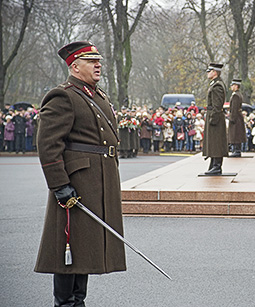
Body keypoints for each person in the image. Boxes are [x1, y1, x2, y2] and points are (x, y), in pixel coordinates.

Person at [35, 41, 126, 306]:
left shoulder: (97, 95)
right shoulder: (63, 95)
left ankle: (78, 301)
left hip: (98, 181)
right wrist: (60, 185)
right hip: (77, 183)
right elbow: (49, 144)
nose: (98, 65)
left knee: (83, 248)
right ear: (75, 66)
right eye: (91, 61)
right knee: (70, 248)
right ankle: (65, 303)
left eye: (99, 61)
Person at [202, 63, 227, 174]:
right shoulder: (215, 84)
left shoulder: (217, 86)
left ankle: (217, 166)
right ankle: (213, 164)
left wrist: (213, 118)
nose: (208, 73)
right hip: (212, 115)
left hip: (215, 116)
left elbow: (217, 105)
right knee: (213, 142)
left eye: (210, 71)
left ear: (215, 72)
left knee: (216, 142)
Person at [227, 78, 247, 157]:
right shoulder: (238, 94)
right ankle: (236, 150)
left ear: (236, 86)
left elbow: (234, 108)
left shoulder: (235, 95)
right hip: (238, 117)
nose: (231, 87)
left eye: (232, 85)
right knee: (236, 134)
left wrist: (232, 118)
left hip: (236, 117)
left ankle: (236, 150)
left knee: (235, 134)